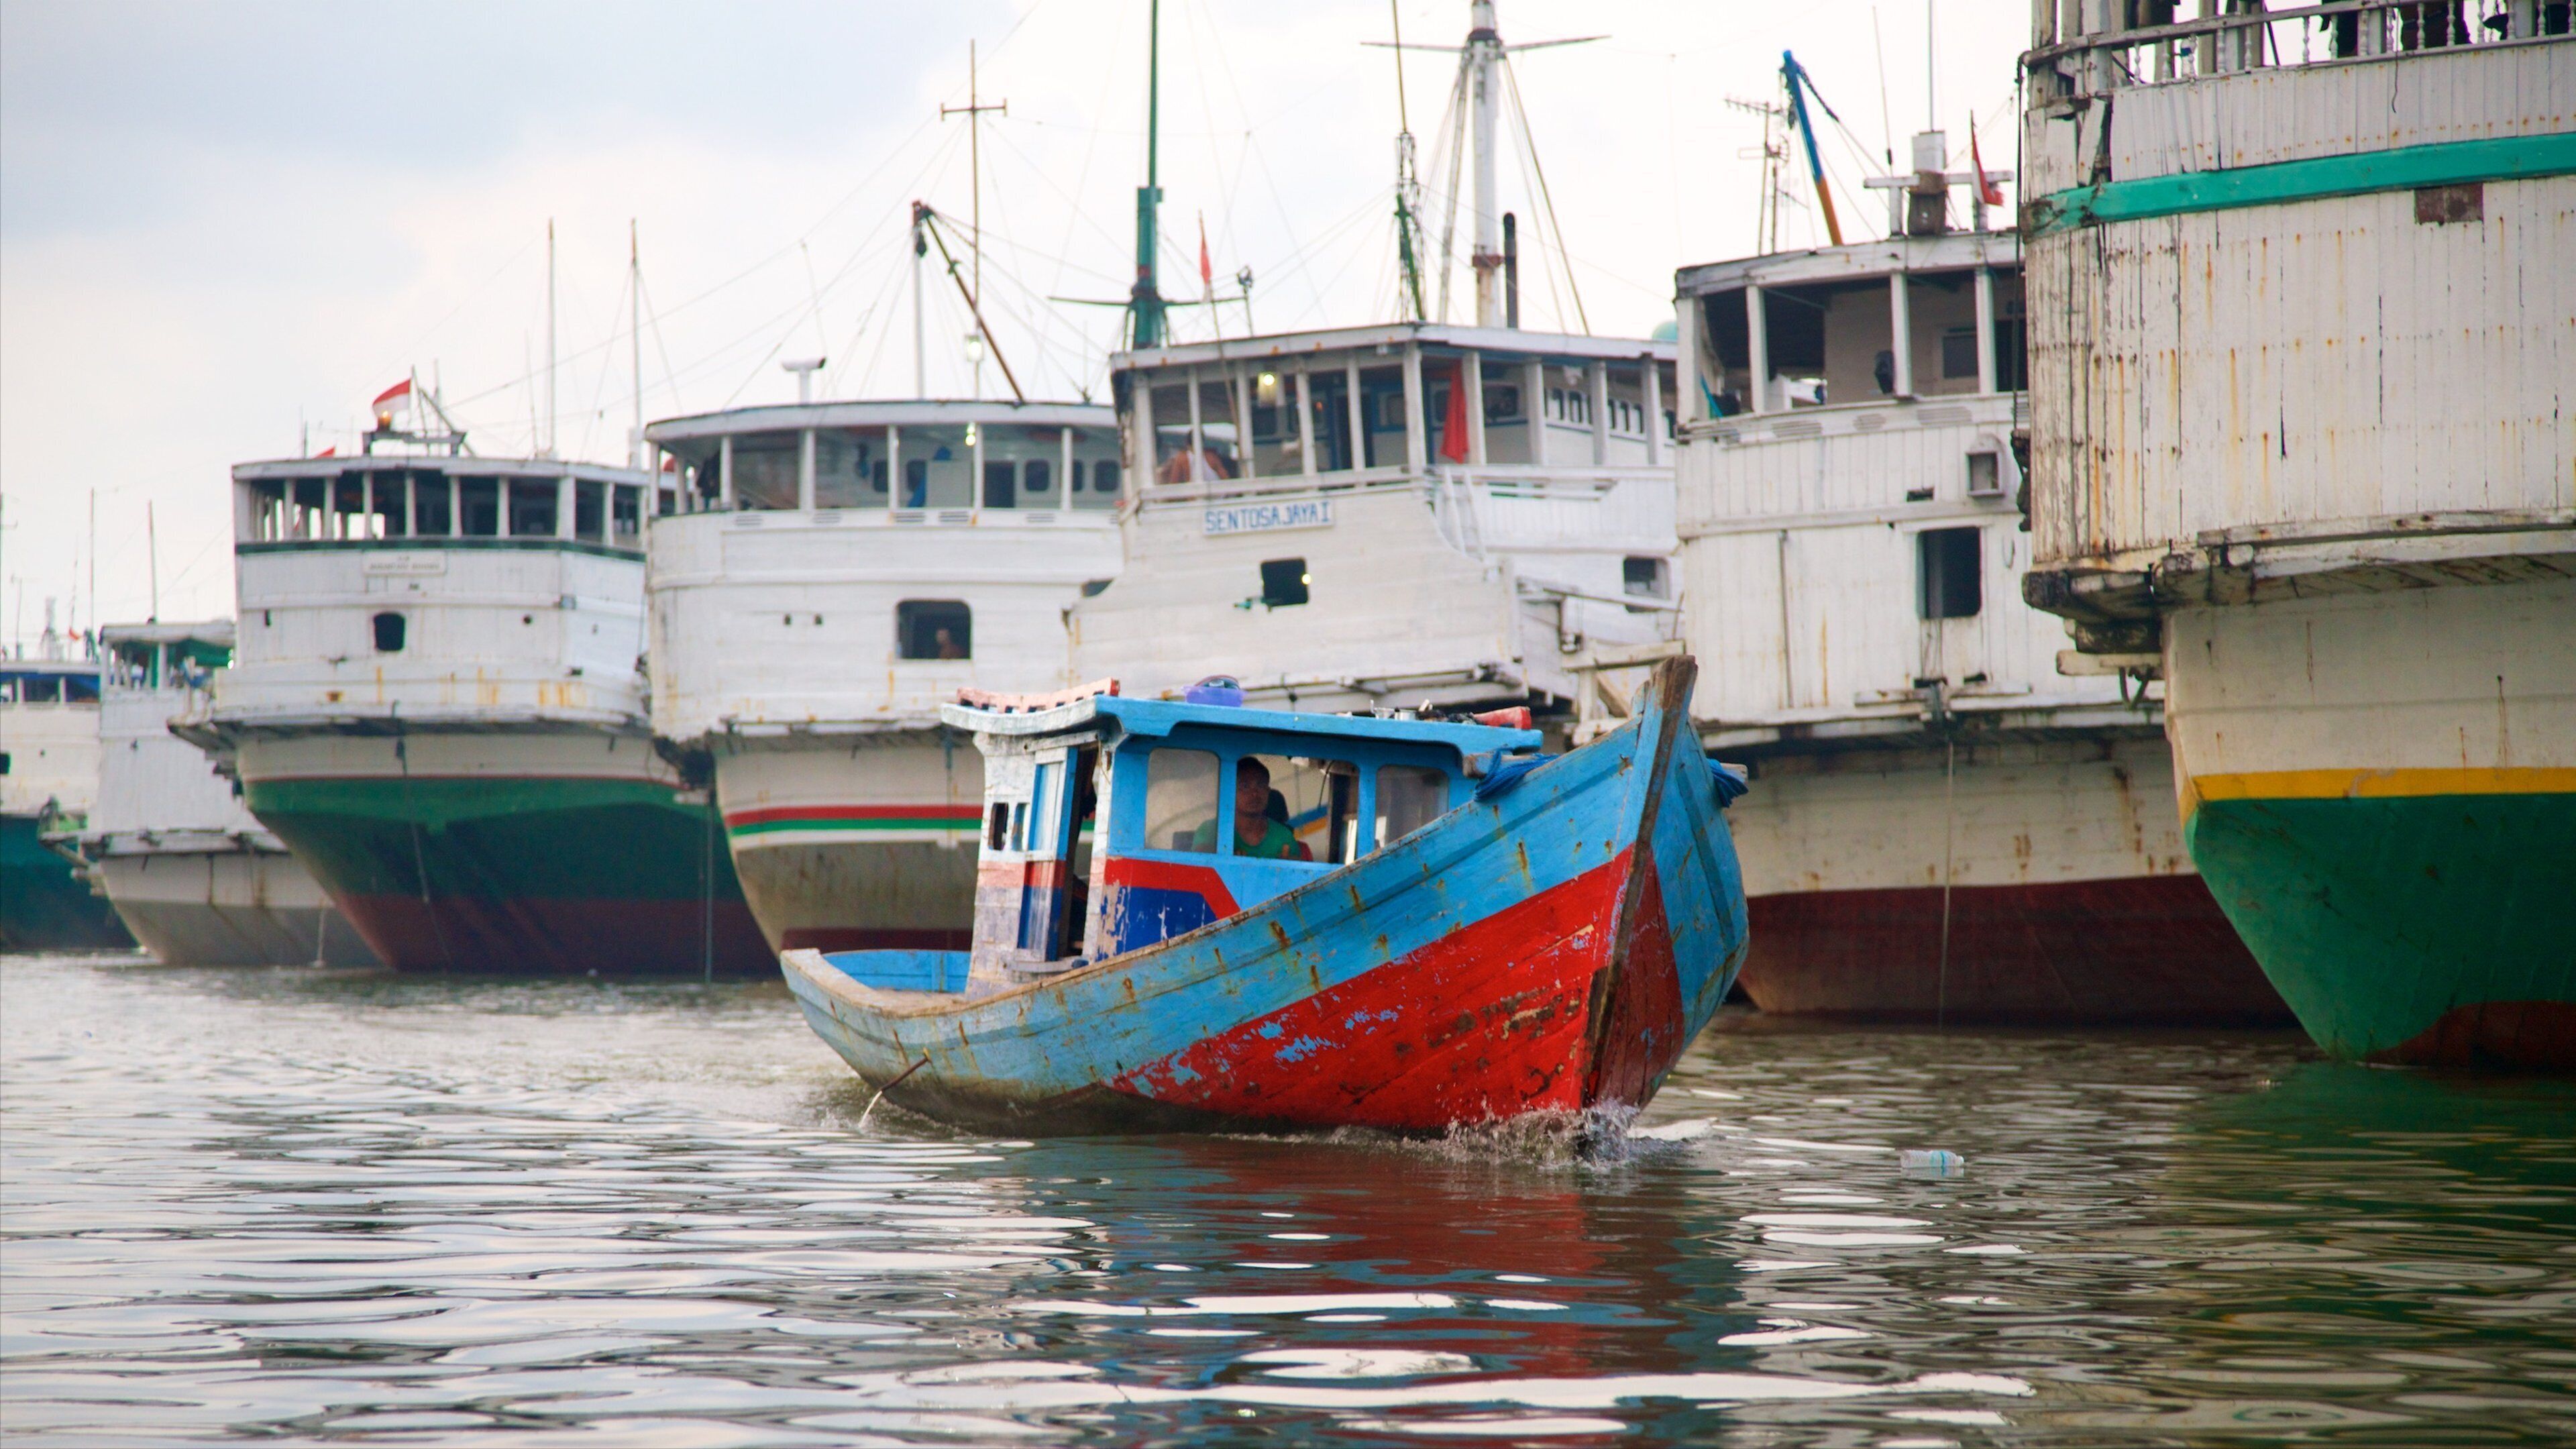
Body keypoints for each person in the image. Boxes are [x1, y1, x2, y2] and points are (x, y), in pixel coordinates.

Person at [1190, 757, 1309, 860]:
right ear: (1230, 792)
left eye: (1261, 785)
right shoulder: (1211, 830)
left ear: (1268, 792)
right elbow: (1201, 866)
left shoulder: (1284, 837)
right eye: (1245, 786)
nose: (1254, 794)